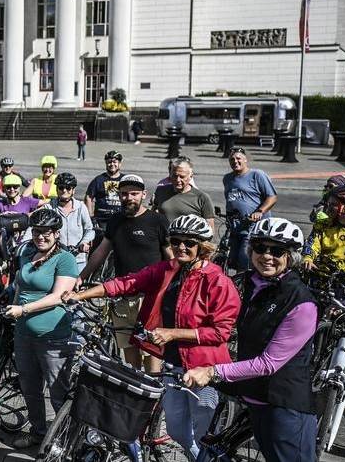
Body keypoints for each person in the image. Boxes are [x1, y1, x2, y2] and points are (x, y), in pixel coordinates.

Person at [67, 215, 237, 458]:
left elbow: (222, 332)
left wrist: (173, 333)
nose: (181, 247)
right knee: (178, 431)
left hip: (205, 370)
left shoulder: (218, 282)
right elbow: (128, 283)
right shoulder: (169, 270)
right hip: (173, 366)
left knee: (206, 436)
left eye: (189, 243)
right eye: (176, 241)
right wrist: (81, 294)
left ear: (203, 247)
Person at [180, 217, 317, 462]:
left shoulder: (301, 302)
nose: (266, 256)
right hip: (253, 398)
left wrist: (212, 372)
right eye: (260, 248)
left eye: (276, 251)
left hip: (283, 406)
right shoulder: (255, 285)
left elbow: (268, 363)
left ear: (291, 256)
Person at [2, 209, 79, 448]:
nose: (41, 237)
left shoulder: (65, 259)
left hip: (52, 335)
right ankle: (37, 431)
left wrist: (23, 310)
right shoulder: (26, 251)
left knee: (58, 391)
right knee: (29, 387)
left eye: (46, 232)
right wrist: (12, 305)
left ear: (56, 233)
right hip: (23, 333)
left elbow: (58, 297)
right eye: (36, 231)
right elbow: (20, 285)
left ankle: (67, 439)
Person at [78, 174, 172, 368]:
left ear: (144, 195)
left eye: (134, 194)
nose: (129, 198)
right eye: (124, 194)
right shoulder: (115, 221)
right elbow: (101, 252)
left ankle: (155, 397)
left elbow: (171, 258)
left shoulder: (157, 221)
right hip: (123, 299)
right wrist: (81, 277)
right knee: (131, 362)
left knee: (152, 359)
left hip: (151, 299)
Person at [223, 148, 277, 271]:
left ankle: (246, 287)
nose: (235, 161)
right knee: (230, 259)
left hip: (254, 227)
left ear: (245, 160)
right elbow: (230, 200)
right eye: (232, 159)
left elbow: (272, 197)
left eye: (238, 158)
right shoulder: (227, 179)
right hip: (235, 227)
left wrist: (259, 211)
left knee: (244, 259)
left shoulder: (257, 175)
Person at [153, 157, 215, 233]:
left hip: (188, 243)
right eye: (175, 176)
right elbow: (154, 213)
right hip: (164, 242)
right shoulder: (161, 191)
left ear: (191, 176)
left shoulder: (202, 198)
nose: (178, 180)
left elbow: (210, 229)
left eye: (182, 177)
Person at [51, 173, 94, 271]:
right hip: (55, 258)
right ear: (56, 189)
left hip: (77, 259)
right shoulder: (49, 207)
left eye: (68, 188)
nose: (64, 190)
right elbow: (35, 224)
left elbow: (89, 229)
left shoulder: (81, 207)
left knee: (78, 284)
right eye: (61, 187)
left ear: (73, 190)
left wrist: (84, 242)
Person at [85, 150, 124, 230]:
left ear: (120, 163)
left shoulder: (125, 180)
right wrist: (91, 217)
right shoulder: (98, 180)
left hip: (121, 219)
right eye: (109, 162)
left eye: (114, 162)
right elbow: (89, 197)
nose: (112, 164)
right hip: (102, 220)